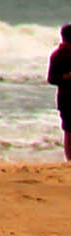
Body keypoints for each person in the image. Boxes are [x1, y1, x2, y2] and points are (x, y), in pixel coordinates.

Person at [47, 24, 71, 164]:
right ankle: (69, 159)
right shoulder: (58, 55)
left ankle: (69, 159)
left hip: (64, 98)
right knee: (68, 129)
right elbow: (52, 79)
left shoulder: (56, 54)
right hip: (66, 97)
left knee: (68, 130)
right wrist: (67, 77)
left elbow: (51, 79)